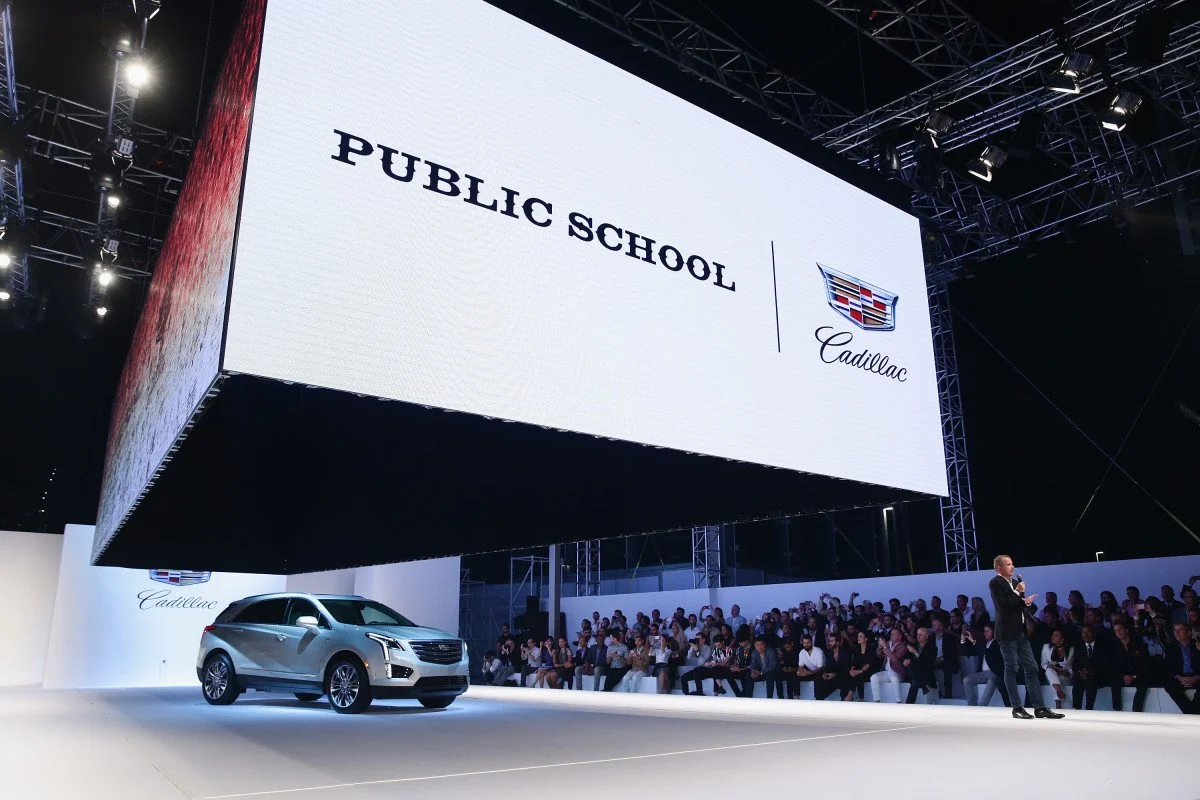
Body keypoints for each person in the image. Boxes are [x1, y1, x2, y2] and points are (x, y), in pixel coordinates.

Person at [989, 554, 1064, 719]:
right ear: (999, 568)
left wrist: (1026, 602)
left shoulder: (1015, 583)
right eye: (1008, 564)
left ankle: (1039, 707)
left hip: (1020, 631)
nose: (1012, 567)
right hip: (1006, 631)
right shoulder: (995, 582)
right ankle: (1016, 707)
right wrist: (1018, 592)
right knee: (1011, 667)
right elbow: (1004, 605)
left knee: (1032, 667)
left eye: (1012, 564)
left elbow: (1017, 605)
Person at [1163, 622, 1200, 714]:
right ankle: (1191, 713)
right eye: (1175, 630)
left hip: (1197, 676)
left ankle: (1191, 713)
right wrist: (1180, 678)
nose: (1177, 632)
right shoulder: (1171, 647)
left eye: (1180, 630)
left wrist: (1196, 678)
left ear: (1189, 632)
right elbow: (1169, 666)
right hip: (1181, 677)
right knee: (1169, 685)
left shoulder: (1198, 645)